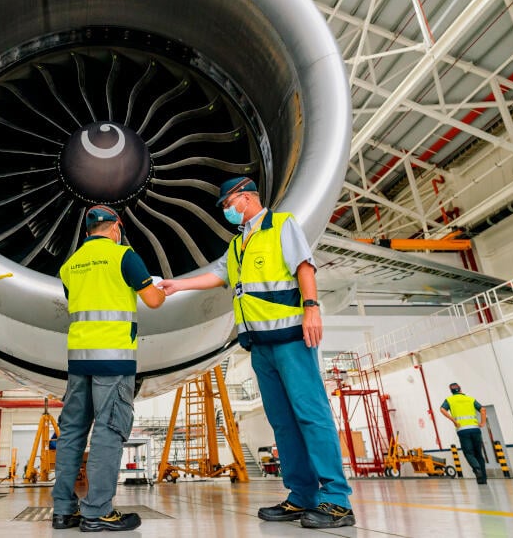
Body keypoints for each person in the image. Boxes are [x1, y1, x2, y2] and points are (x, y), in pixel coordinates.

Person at [158, 177, 355, 529]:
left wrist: (311, 308)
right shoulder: (238, 244)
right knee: (282, 423)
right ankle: (302, 495)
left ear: (246, 198)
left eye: (227, 204)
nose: (226, 211)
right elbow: (218, 274)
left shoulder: (281, 225)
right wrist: (177, 285)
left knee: (311, 416)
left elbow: (304, 266)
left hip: (291, 338)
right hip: (259, 345)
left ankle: (337, 500)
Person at [52, 205, 166, 532]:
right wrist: (158, 288)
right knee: (108, 430)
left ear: (88, 231)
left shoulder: (70, 265)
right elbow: (153, 300)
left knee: (72, 431)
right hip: (114, 358)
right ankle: (97, 511)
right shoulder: (123, 256)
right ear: (116, 227)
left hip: (79, 359)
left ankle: (63, 511)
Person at [440, 382, 488, 484]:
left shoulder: (449, 400)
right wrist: (483, 423)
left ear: (451, 391)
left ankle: (476, 469)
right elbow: (483, 410)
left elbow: (442, 409)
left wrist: (453, 420)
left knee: (469, 453)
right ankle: (483, 480)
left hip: (463, 431)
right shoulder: (470, 399)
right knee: (479, 454)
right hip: (475, 429)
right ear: (460, 389)